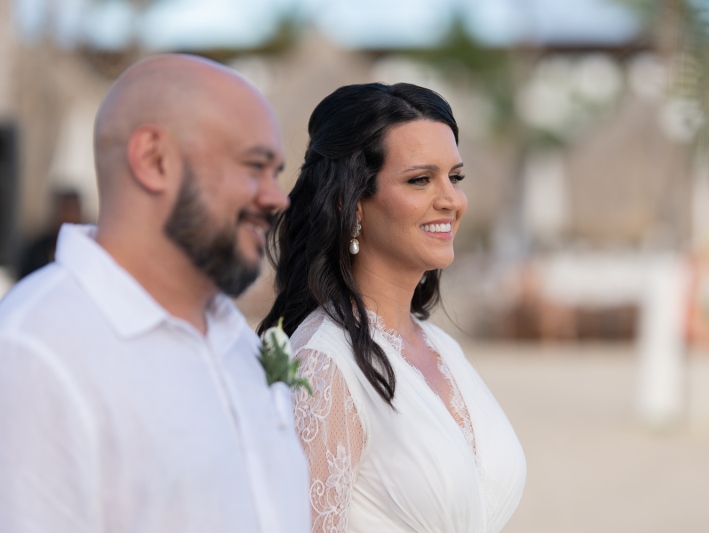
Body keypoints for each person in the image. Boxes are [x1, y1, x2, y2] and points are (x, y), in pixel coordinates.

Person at [0, 54, 310, 533]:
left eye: (276, 173)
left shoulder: (239, 344)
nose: (276, 198)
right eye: (255, 166)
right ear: (154, 160)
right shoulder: (37, 352)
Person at [260, 83, 526, 532]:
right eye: (420, 179)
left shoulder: (441, 347)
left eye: (455, 177)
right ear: (351, 202)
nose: (451, 199)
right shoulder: (324, 364)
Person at [17, 188, 84, 279]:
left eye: (73, 210)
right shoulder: (37, 251)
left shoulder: (87, 250)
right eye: (65, 209)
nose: (69, 216)